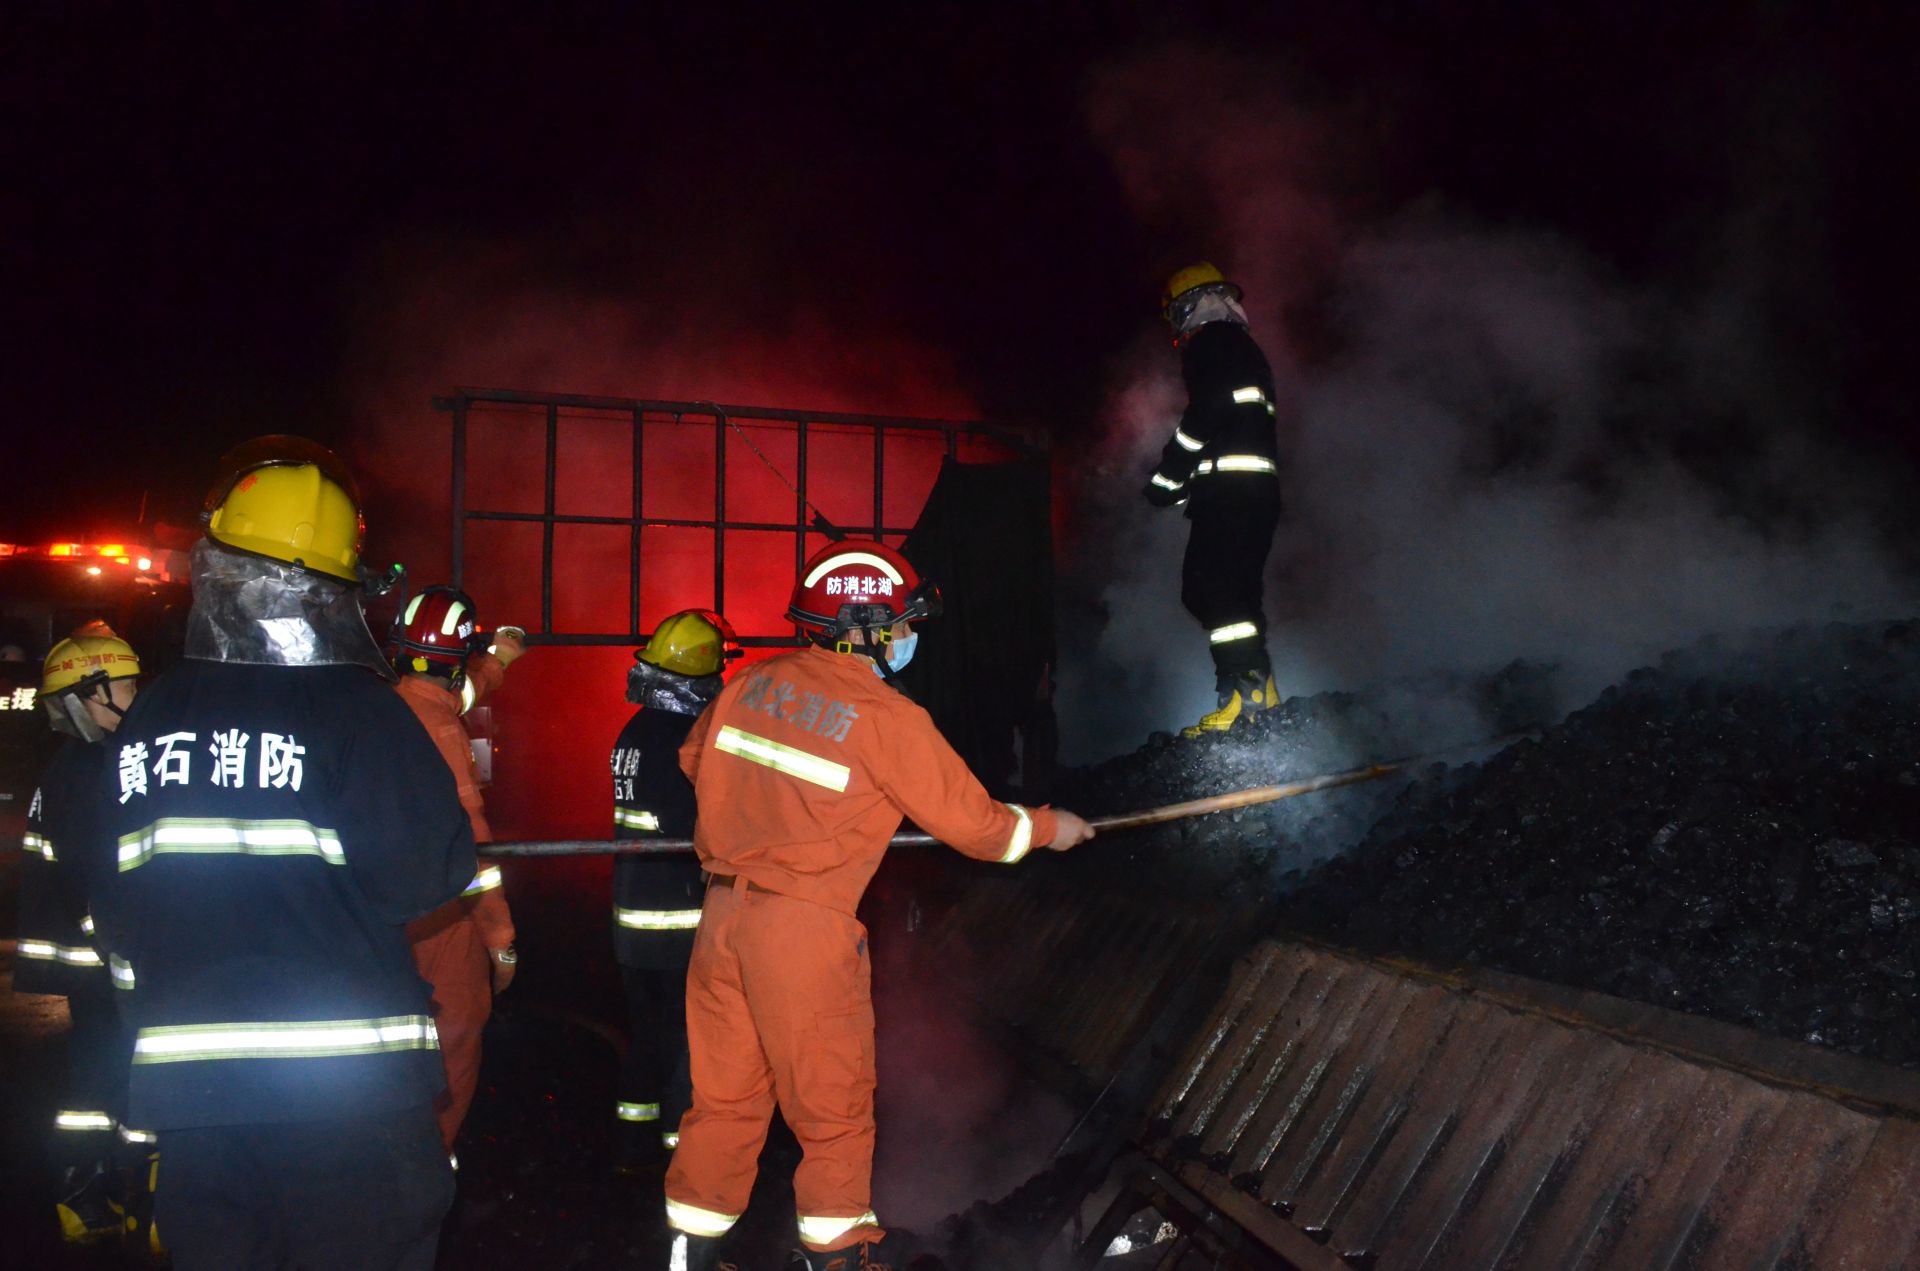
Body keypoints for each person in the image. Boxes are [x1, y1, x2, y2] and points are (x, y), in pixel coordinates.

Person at [87, 436, 476, 1271]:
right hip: (351, 1101)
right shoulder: (360, 714)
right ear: (334, 590)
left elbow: (116, 905)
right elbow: (430, 872)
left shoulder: (151, 717)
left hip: (195, 1102)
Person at [662, 540, 1096, 1271]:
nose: (909, 637)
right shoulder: (885, 715)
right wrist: (1053, 828)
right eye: (900, 624)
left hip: (721, 922)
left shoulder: (750, 682)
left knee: (725, 1105)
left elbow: (691, 759)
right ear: (861, 624)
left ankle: (685, 1258)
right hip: (801, 930)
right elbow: (978, 826)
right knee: (834, 1113)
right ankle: (837, 1260)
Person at [19, 625, 147, 1245]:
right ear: (88, 695)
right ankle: (89, 1192)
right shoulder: (88, 774)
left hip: (95, 961)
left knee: (106, 1076)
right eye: (125, 686)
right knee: (107, 1077)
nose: (135, 697)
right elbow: (96, 883)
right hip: (103, 962)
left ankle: (103, 1190)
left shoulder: (83, 766)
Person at [390, 583, 526, 1160]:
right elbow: (471, 844)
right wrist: (501, 937)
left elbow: (449, 692)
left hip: (379, 907)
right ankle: (429, 1168)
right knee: (456, 1031)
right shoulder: (443, 729)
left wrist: (495, 661)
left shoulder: (387, 702)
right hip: (441, 913)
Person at [609, 608, 738, 1177]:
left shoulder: (632, 733)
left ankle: (632, 1141)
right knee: (689, 1041)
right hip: (677, 922)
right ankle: (678, 1153)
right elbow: (696, 827)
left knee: (649, 1032)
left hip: (633, 921)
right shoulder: (675, 740)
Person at [1142, 262, 1285, 736]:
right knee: (1234, 593)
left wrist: (1168, 477)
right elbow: (1235, 420)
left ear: (1187, 306)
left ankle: (1243, 695)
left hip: (1229, 493)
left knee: (1210, 589)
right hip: (1252, 493)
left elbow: (1208, 413)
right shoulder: (1242, 348)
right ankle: (1256, 693)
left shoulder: (1211, 345)